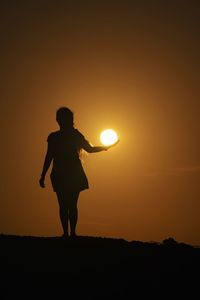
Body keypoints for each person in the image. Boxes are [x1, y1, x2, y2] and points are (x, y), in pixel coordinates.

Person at [39, 107, 118, 237]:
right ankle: (70, 234)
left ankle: (68, 233)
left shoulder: (58, 136)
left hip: (65, 174)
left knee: (65, 205)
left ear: (59, 120)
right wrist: (42, 175)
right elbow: (50, 156)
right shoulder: (67, 136)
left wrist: (106, 147)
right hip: (68, 173)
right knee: (69, 205)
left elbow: (50, 156)